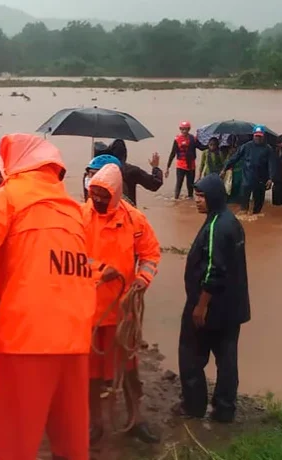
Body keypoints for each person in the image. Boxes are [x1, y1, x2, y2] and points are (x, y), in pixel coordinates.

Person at [0, 134, 95, 460]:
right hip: (75, 339)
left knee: (13, 439)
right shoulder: (72, 210)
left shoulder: (7, 198)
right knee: (70, 440)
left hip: (26, 340)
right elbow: (45, 276)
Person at [83, 163, 162, 444]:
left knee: (129, 370)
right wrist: (98, 272)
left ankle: (136, 419)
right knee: (91, 374)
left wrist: (142, 280)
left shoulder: (135, 220)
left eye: (104, 196)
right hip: (90, 312)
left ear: (116, 195)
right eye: (94, 195)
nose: (98, 201)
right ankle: (95, 423)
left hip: (123, 311)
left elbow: (151, 254)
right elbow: (70, 257)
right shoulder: (80, 217)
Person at [177, 174, 250, 423]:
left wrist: (200, 306)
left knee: (191, 355)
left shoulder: (216, 227)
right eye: (197, 195)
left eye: (202, 196)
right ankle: (225, 408)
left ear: (215, 197)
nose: (197, 201)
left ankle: (194, 405)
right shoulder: (232, 222)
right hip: (233, 306)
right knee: (227, 360)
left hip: (210, 307)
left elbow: (214, 269)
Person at [222, 126, 275, 214]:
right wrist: (224, 169)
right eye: (256, 136)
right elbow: (235, 158)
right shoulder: (246, 146)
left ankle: (256, 220)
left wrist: (270, 178)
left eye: (260, 136)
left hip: (261, 180)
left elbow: (271, 165)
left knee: (258, 207)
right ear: (253, 135)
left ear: (263, 136)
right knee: (243, 208)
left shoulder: (268, 149)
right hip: (247, 179)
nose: (258, 138)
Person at [95, 139, 163, 205]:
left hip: (105, 210)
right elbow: (155, 184)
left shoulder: (99, 171)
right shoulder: (132, 171)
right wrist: (155, 167)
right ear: (125, 153)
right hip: (128, 211)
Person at [165, 121, 203, 199]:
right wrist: (167, 168)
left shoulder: (193, 138)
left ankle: (190, 198)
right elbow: (172, 154)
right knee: (179, 183)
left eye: (186, 129)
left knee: (190, 184)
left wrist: (210, 144)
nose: (184, 131)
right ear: (180, 129)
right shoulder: (177, 139)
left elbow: (201, 147)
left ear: (189, 129)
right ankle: (176, 199)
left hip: (191, 165)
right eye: (183, 129)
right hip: (181, 165)